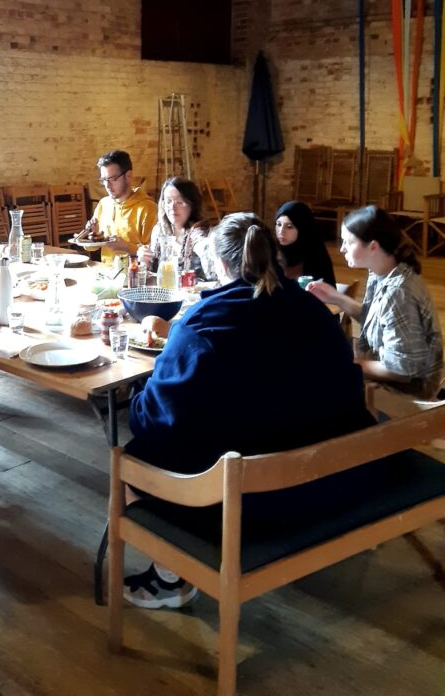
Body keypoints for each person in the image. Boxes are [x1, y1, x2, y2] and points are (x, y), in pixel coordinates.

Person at [124, 212, 374, 609]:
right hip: (341, 471)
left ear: (219, 264)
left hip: (259, 498)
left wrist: (138, 394)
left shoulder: (201, 325)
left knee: (136, 452)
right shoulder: (312, 310)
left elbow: (154, 420)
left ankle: (170, 577)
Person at [308, 205, 443, 397]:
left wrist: (350, 364)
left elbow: (401, 371)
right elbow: (376, 319)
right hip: (399, 376)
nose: (342, 248)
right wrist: (335, 297)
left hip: (410, 392)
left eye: (348, 242)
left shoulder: (398, 292)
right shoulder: (385, 271)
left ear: (373, 246)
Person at [85, 150, 158, 264]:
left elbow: (154, 254)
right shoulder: (104, 204)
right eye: (104, 180)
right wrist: (92, 235)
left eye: (113, 179)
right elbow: (92, 248)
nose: (107, 185)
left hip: (135, 275)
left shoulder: (148, 208)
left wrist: (126, 247)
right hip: (106, 273)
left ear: (128, 176)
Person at [137, 176, 205, 278]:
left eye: (179, 202)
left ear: (192, 204)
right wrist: (144, 260)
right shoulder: (159, 230)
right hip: (163, 292)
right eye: (168, 201)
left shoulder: (199, 233)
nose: (172, 208)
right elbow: (151, 272)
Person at [274, 200, 336, 287]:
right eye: (279, 224)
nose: (281, 231)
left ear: (302, 228)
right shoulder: (271, 253)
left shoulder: (316, 256)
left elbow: (326, 292)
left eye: (289, 227)